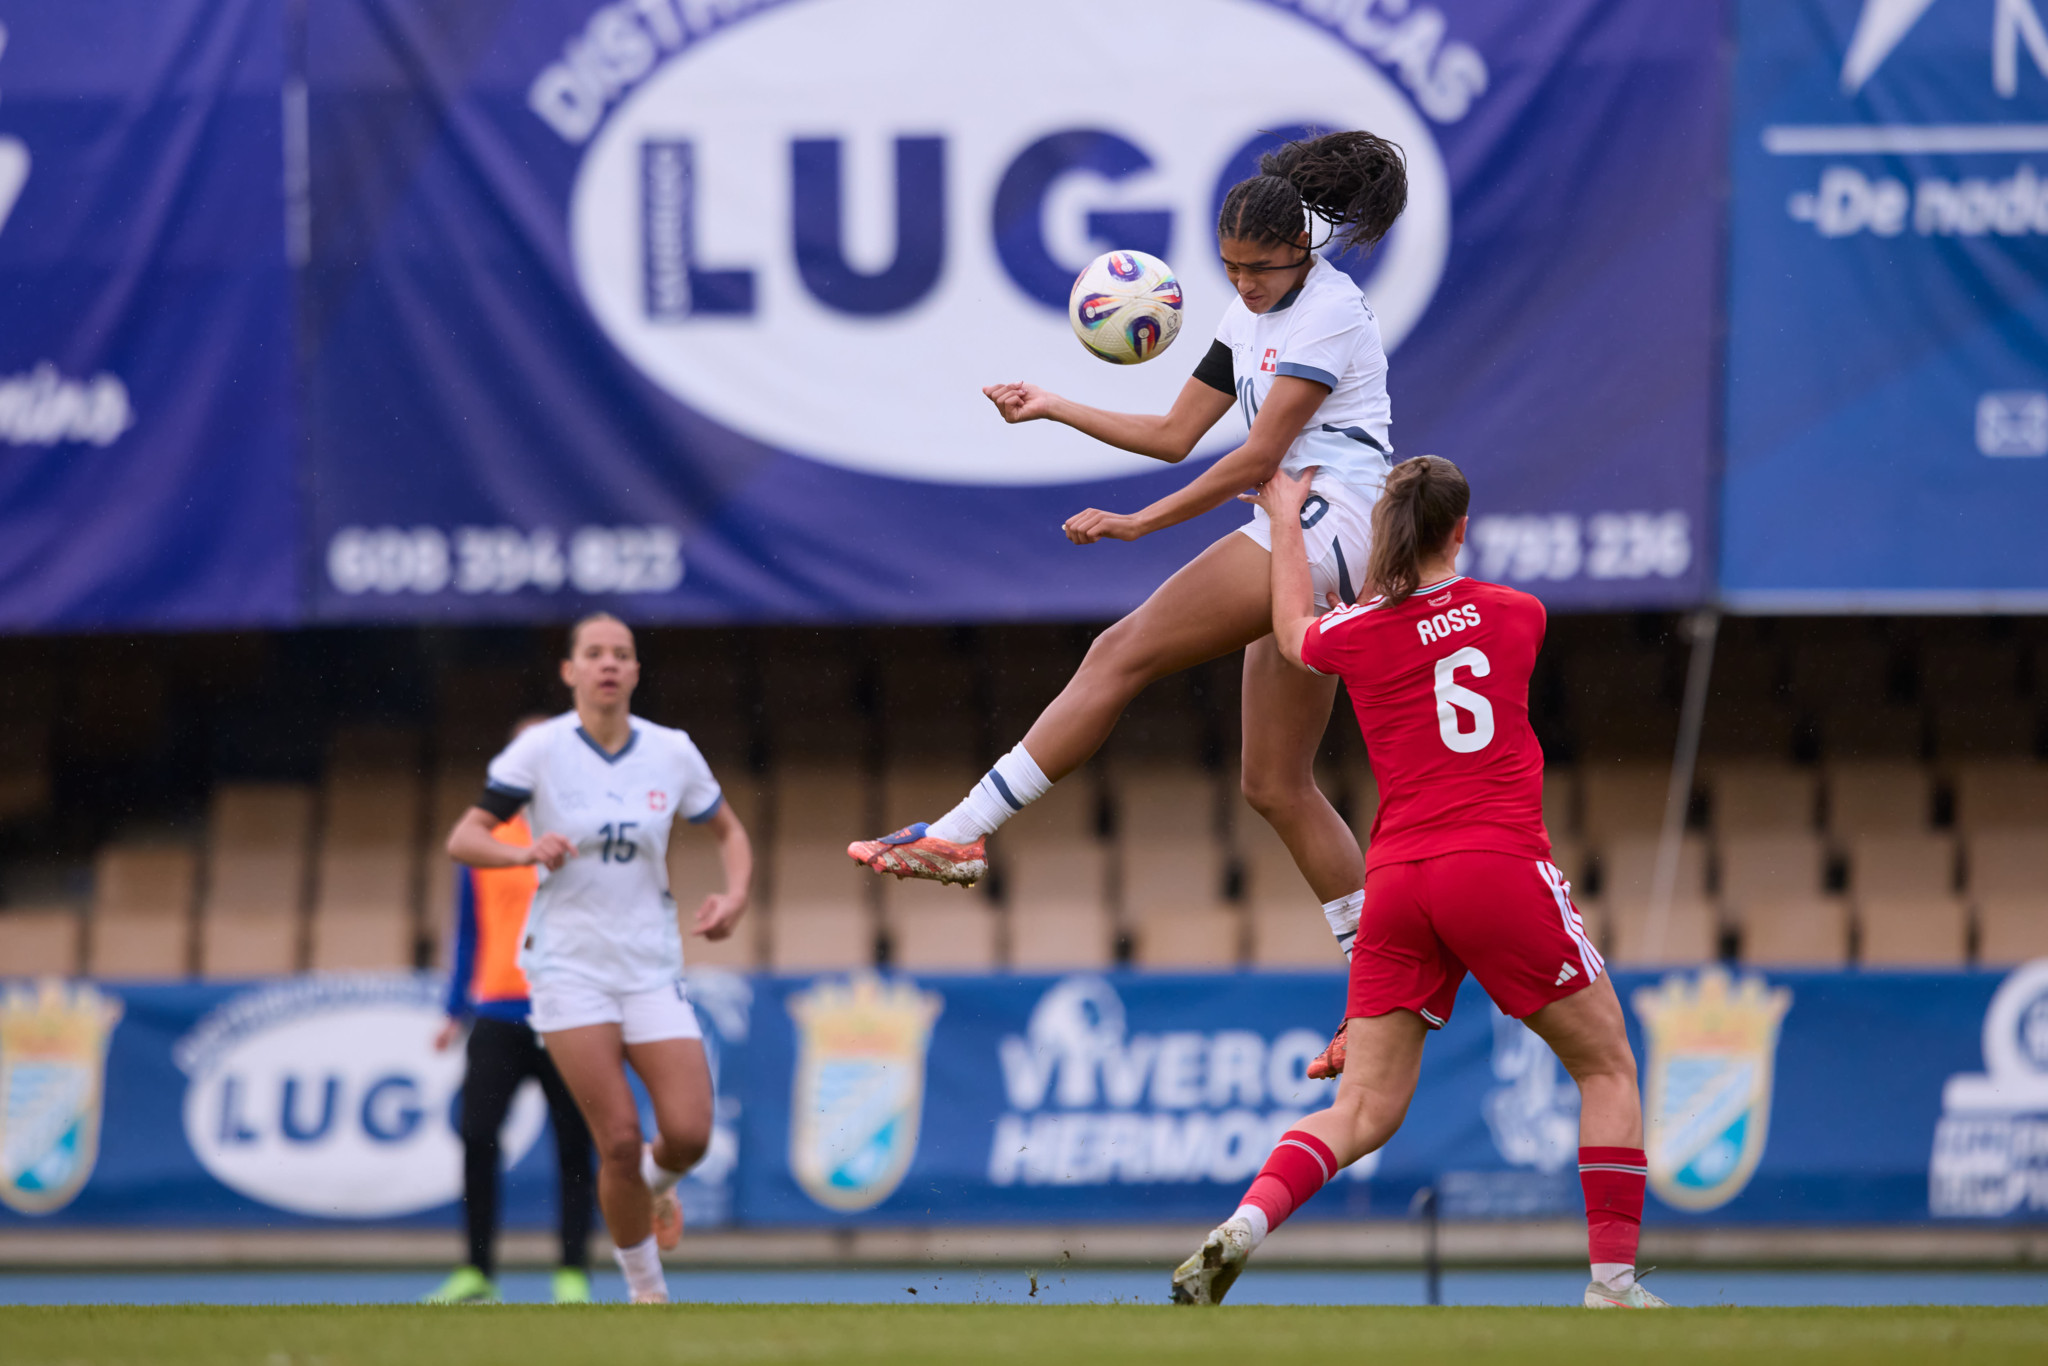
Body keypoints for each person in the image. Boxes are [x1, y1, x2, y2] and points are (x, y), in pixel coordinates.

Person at [849, 132, 1407, 1040]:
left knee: (1121, 650)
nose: (1244, 285)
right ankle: (1381, 984)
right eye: (1230, 268)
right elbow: (1177, 435)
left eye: (1259, 269)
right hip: (1294, 521)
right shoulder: (1248, 315)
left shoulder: (1331, 313)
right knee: (1275, 783)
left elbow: (1257, 458)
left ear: (1299, 248)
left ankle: (963, 827)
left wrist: (1139, 523)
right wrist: (1053, 405)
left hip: (1330, 519)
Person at [1170, 458, 1665, 1310]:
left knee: (1364, 1110)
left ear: (1382, 530)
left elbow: (1291, 635)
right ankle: (1612, 1287)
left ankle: (1244, 1226)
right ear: (1460, 528)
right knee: (1607, 1067)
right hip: (1497, 865)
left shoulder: (1357, 633)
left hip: (1398, 880)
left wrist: (1285, 518)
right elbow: (1446, 634)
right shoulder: (1519, 614)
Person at [445, 614, 753, 1305]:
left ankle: (657, 1184)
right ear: (570, 670)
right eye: (594, 653)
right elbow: (464, 838)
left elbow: (729, 831)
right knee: (615, 1140)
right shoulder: (539, 750)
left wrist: (735, 896)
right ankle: (647, 1293)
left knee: (689, 1135)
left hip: (649, 968)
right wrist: (523, 851)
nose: (608, 663)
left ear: (636, 671)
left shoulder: (671, 751)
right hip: (566, 970)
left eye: (621, 653)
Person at [423, 716, 597, 1306]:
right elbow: (469, 932)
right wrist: (454, 1010)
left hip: (568, 1012)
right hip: (497, 1012)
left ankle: (572, 1272)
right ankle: (477, 1270)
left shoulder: (588, 831)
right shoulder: (483, 836)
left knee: (574, 1145)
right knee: (476, 1136)